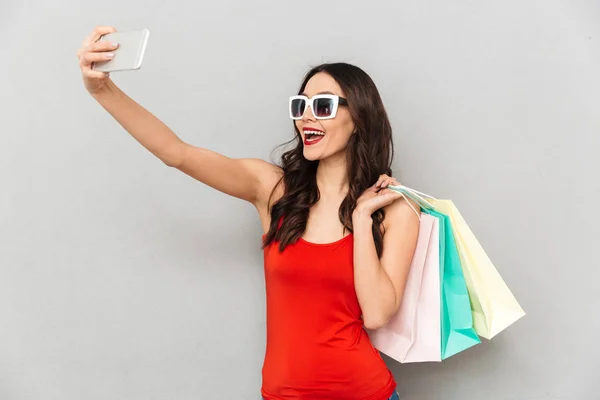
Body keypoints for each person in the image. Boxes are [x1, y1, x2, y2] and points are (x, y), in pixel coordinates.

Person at [77, 26, 420, 400]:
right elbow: (176, 153)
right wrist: (101, 90)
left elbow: (375, 315)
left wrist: (359, 219)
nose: (306, 118)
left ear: (359, 119)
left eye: (322, 106)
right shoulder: (273, 190)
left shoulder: (393, 210)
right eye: (299, 106)